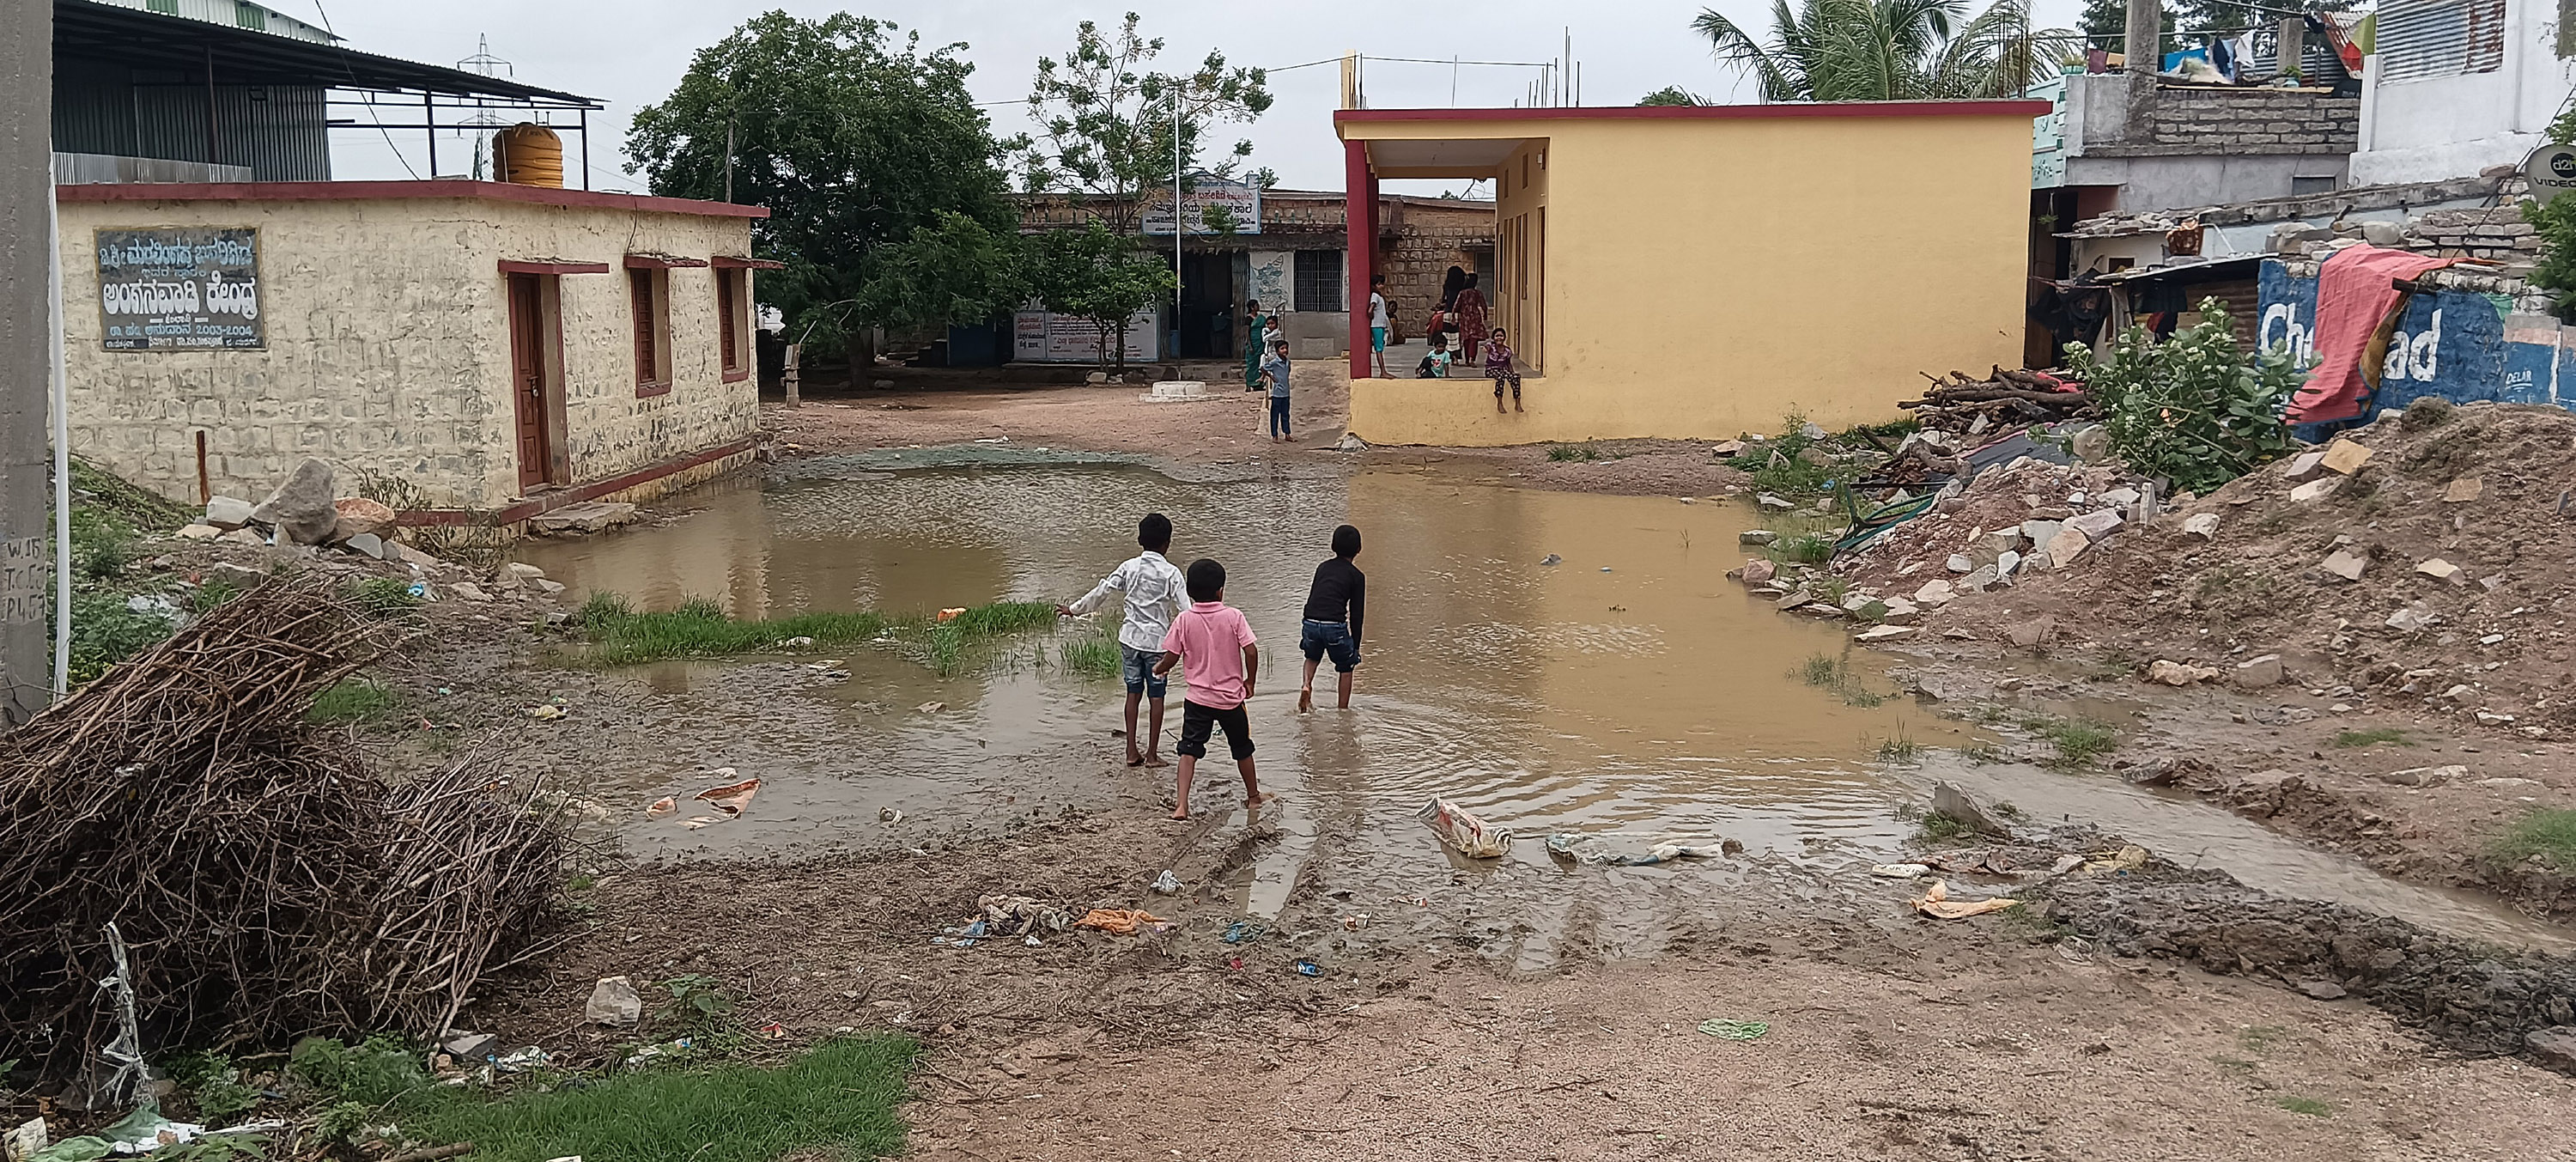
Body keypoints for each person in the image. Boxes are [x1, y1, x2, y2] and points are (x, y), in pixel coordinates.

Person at [1058, 513, 1188, 767]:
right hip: (1157, 645)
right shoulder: (1172, 573)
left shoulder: (1129, 567)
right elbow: (1186, 611)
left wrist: (1073, 609)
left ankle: (1131, 751)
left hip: (1129, 640)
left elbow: (1102, 590)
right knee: (1157, 697)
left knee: (1133, 693)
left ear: (1140, 540)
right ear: (1167, 543)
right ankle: (1152, 755)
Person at [1153, 557, 1264, 819]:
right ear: (1220, 591)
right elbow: (1251, 651)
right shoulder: (1233, 616)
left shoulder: (1184, 619)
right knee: (1242, 749)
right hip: (1231, 700)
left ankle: (1181, 805)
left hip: (1198, 700)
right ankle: (1253, 797)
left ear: (1190, 591)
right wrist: (1250, 681)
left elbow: (1172, 656)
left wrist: (1160, 668)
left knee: (1188, 750)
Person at [1297, 524, 1366, 715]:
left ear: (1333, 546)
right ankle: (1343, 711)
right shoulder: (1357, 576)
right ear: (1358, 549)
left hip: (1310, 621)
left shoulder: (1323, 568)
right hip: (1334, 625)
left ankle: (1306, 684)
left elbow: (1315, 597)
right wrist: (1355, 646)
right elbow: (1357, 614)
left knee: (1312, 656)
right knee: (1347, 666)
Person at [1453, 271, 1489, 362]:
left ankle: (1467, 359)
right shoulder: (1477, 293)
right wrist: (1485, 314)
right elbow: (1483, 305)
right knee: (1474, 338)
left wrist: (1454, 315)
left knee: (1466, 338)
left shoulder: (1462, 293)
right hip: (1475, 316)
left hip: (1464, 317)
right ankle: (1472, 358)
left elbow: (1456, 305)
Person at [1485, 325, 1522, 413]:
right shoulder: (1492, 346)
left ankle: (1517, 402)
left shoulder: (1507, 351)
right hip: (1491, 370)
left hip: (1503, 370)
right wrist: (1485, 349)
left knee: (1516, 377)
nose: (1499, 338)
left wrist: (1512, 373)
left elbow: (1508, 363)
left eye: (1501, 336)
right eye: (1497, 336)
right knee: (1501, 378)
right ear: (1493, 338)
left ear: (1505, 338)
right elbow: (1487, 347)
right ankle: (1499, 403)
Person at [1263, 338, 1293, 442]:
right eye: (1282, 348)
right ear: (1277, 351)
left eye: (1286, 348)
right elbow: (1263, 368)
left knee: (1286, 415)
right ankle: (1274, 435)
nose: (1285, 350)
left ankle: (1287, 434)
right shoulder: (1275, 363)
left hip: (1286, 393)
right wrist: (1271, 377)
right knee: (1275, 416)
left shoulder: (1288, 362)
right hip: (1277, 393)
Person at [1368, 275, 1391, 378]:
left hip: (1380, 325)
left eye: (1382, 284)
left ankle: (1383, 371)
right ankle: (1383, 371)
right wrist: (1372, 316)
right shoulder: (1375, 296)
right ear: (1374, 286)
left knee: (1380, 348)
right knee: (1379, 349)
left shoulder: (1379, 296)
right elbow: (1370, 310)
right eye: (1379, 284)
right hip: (1377, 325)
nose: (1381, 286)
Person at [1242, 298, 1264, 392]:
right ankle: (1249, 383)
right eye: (1256, 305)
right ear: (1252, 307)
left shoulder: (1261, 318)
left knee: (1260, 363)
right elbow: (1246, 332)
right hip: (1253, 342)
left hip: (1260, 342)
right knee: (1251, 365)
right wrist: (1250, 345)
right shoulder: (1248, 319)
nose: (1258, 307)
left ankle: (1258, 384)